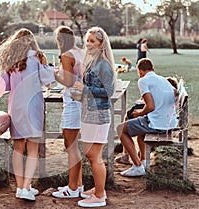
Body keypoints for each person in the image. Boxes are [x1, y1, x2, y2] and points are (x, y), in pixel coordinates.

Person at [0, 28, 54, 201]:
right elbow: (47, 79)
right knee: (33, 149)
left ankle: (22, 187)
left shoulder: (9, 61)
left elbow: (4, 86)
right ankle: (26, 186)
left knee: (18, 148)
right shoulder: (36, 58)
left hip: (16, 106)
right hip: (33, 106)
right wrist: (48, 66)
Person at [72, 27, 116, 207]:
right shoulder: (91, 62)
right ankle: (99, 189)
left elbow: (109, 92)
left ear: (101, 43)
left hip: (99, 114)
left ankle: (99, 196)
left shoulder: (104, 64)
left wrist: (85, 90)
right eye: (87, 41)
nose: (88, 44)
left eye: (92, 41)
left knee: (93, 155)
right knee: (90, 154)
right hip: (88, 112)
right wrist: (78, 94)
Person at [117, 58, 178, 177]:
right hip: (169, 122)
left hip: (157, 124)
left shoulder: (143, 80)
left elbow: (150, 106)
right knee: (139, 126)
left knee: (121, 129)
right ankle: (143, 162)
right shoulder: (162, 79)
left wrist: (139, 113)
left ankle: (137, 166)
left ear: (140, 71)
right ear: (152, 69)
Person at [51, 26, 85, 198]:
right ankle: (78, 185)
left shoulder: (66, 55)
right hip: (82, 101)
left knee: (70, 146)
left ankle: (72, 188)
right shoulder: (81, 52)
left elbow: (69, 81)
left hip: (72, 102)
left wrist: (54, 74)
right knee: (75, 145)